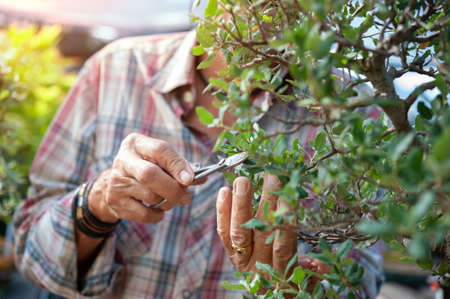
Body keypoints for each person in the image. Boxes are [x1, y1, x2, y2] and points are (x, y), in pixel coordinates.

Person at [13, 30, 383, 298]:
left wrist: (295, 292)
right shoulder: (112, 70)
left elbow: (360, 279)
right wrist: (96, 205)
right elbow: (29, 251)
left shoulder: (353, 113)